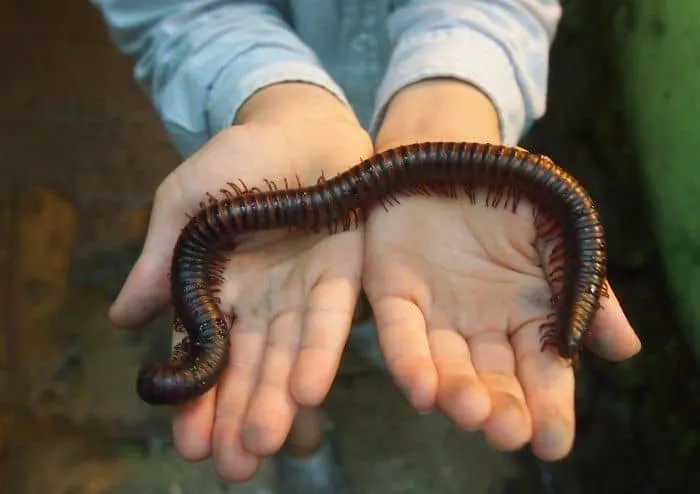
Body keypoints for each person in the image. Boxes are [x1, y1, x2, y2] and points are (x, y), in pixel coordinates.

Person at [91, 1, 642, 492]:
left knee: (356, 336)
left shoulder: (557, 216)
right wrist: (272, 99)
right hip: (272, 134)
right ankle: (303, 445)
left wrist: (453, 94)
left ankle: (317, 425)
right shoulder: (206, 259)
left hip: (387, 163)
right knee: (293, 357)